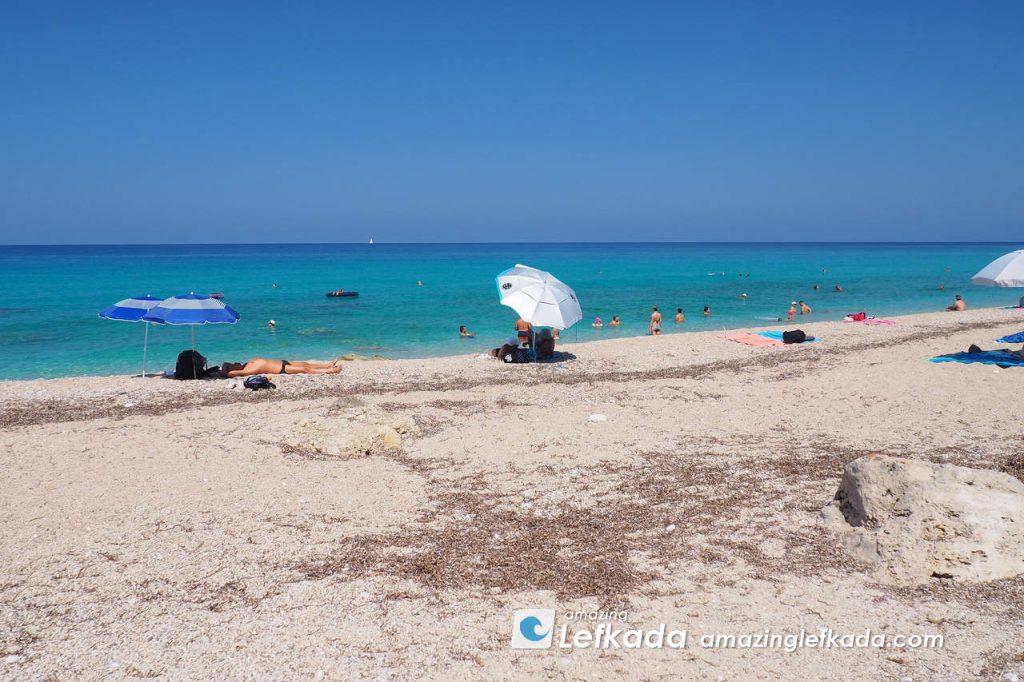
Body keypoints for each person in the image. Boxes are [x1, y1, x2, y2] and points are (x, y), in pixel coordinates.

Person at [219, 358, 342, 377]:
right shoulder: (248, 370)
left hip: (281, 361)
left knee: (305, 364)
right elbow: (230, 374)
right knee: (305, 369)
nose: (235, 362)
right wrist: (228, 372)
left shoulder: (249, 362)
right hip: (280, 369)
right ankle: (330, 371)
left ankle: (326, 365)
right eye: (233, 365)